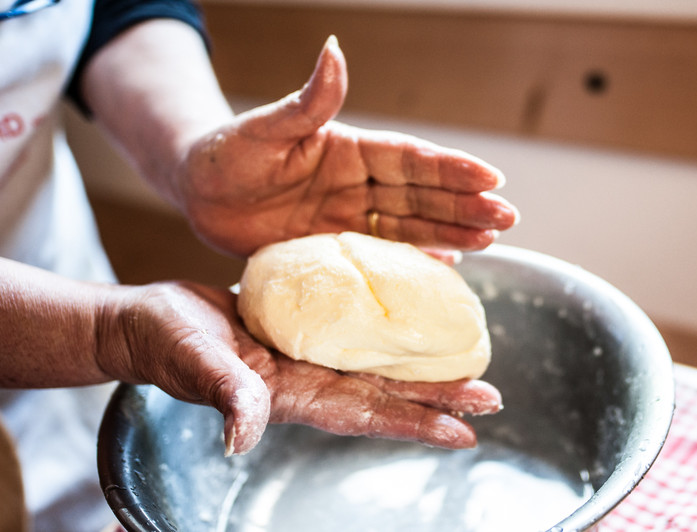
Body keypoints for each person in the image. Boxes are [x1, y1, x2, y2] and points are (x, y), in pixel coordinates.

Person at [0, 0, 519, 530]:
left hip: (49, 276)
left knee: (94, 495)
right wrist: (102, 330)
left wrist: (195, 153)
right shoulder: (110, 329)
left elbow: (113, 8)